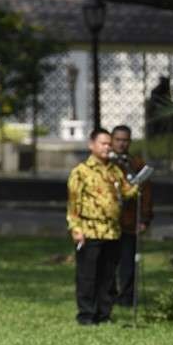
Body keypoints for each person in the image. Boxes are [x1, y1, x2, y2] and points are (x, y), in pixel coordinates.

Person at [66, 128, 138, 325]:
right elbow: (74, 203)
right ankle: (87, 315)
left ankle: (104, 313)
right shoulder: (81, 172)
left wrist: (138, 181)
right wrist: (76, 228)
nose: (107, 147)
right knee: (88, 276)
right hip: (90, 230)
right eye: (103, 143)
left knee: (107, 276)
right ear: (92, 145)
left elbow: (127, 192)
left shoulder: (115, 170)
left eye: (109, 144)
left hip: (112, 232)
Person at [110, 125, 153, 306]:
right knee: (109, 262)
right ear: (112, 141)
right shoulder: (105, 163)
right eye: (118, 140)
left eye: (125, 140)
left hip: (129, 222)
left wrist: (144, 219)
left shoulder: (135, 164)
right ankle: (109, 296)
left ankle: (126, 297)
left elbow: (147, 193)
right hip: (109, 223)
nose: (121, 143)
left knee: (128, 263)